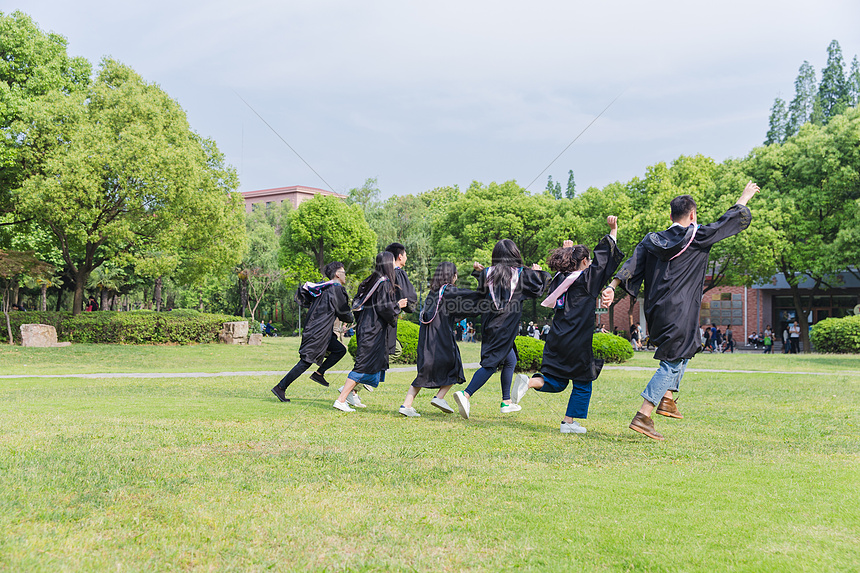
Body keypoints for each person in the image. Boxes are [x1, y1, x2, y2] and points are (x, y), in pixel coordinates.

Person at [602, 181, 759, 441]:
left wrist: (612, 286)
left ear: (670, 216)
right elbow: (728, 221)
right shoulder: (696, 236)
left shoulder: (651, 240)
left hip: (656, 310)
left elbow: (632, 264)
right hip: (682, 309)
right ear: (693, 215)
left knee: (687, 347)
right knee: (673, 361)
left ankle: (667, 399)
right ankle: (644, 415)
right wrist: (744, 196)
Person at [513, 216, 623, 433]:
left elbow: (572, 265)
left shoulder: (560, 280)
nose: (591, 263)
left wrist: (568, 250)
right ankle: (569, 423)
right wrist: (613, 231)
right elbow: (605, 259)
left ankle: (528, 382)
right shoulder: (587, 280)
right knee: (583, 381)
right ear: (584, 262)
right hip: (577, 341)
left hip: (556, 338)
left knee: (558, 381)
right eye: (588, 260)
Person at [452, 239, 550, 419]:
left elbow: (482, 292)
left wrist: (479, 272)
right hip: (506, 326)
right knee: (491, 364)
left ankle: (507, 401)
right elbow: (538, 289)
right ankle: (466, 394)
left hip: (491, 324)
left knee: (510, 360)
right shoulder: (522, 273)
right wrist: (537, 273)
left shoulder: (488, 273)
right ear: (515, 254)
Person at [399, 262, 482, 417]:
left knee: (426, 371)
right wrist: (480, 277)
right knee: (454, 365)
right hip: (440, 337)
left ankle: (413, 403)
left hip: (427, 337)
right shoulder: (448, 290)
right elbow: (473, 297)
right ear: (452, 275)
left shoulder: (433, 293)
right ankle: (435, 398)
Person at [271, 262, 354, 403]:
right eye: (343, 272)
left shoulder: (323, 287)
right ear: (337, 274)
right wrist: (352, 318)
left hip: (321, 332)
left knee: (339, 350)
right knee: (306, 362)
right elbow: (344, 313)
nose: (345, 275)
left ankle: (319, 373)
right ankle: (280, 387)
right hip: (318, 333)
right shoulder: (336, 289)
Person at [334, 252, 407, 412]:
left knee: (369, 365)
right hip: (372, 332)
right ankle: (341, 399)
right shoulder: (385, 283)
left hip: (366, 328)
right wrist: (398, 306)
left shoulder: (371, 281)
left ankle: (350, 393)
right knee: (362, 366)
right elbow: (384, 308)